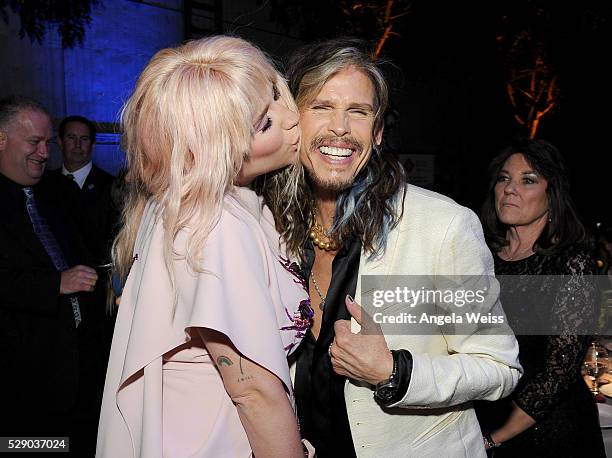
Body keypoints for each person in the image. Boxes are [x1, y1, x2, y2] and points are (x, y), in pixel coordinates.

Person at [260, 37, 522, 457]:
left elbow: (500, 366)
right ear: (293, 121)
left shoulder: (442, 226)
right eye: (321, 107)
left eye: (358, 113)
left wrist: (394, 371)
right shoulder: (268, 226)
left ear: (377, 132)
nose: (340, 128)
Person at [96, 36, 314, 458]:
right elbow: (253, 391)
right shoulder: (215, 224)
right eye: (264, 124)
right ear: (217, 150)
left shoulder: (191, 206)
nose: (292, 117)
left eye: (275, 93)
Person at [475, 138, 605, 456]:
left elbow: (559, 368)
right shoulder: (480, 254)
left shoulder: (571, 261)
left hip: (548, 429)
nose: (509, 189)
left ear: (552, 193)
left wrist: (497, 437)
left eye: (528, 180)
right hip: (482, 414)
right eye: (504, 178)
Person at [0, 96, 104, 455]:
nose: (45, 153)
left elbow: (91, 251)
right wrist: (54, 285)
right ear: (1, 139)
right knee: (31, 446)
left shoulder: (56, 192)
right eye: (34, 142)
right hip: (24, 374)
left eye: (47, 143)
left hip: (79, 362)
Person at [51, 115, 116, 264]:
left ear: (93, 145)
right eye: (71, 138)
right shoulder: (44, 185)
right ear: (60, 142)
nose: (78, 145)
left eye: (84, 139)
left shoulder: (110, 186)